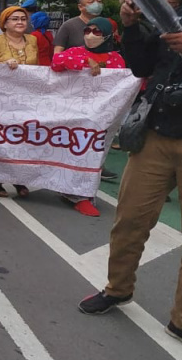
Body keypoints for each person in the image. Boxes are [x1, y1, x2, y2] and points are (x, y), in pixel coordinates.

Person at [78, 0, 182, 359]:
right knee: (130, 220)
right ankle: (117, 289)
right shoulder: (179, 15)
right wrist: (131, 27)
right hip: (156, 134)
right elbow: (143, 67)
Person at [49, 17, 126, 217]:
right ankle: (74, 194)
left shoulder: (116, 59)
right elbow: (56, 62)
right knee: (72, 152)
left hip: (100, 118)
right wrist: (86, 61)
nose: (90, 35)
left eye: (97, 31)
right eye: (87, 30)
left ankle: (83, 195)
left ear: (108, 35)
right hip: (73, 114)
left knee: (93, 155)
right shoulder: (76, 52)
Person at [0, 6, 38, 198]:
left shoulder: (33, 40)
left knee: (23, 139)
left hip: (26, 98)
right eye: (14, 19)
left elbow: (37, 69)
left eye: (23, 19)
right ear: (4, 23)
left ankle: (19, 179)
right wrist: (2, 66)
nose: (20, 22)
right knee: (2, 140)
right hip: (0, 100)